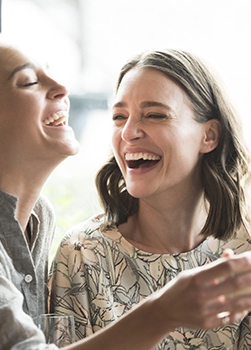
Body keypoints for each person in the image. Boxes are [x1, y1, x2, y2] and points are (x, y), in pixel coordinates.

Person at [0, 26, 251, 350]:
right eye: (27, 82)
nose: (61, 87)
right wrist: (162, 312)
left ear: (210, 136)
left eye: (156, 115)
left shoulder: (36, 220)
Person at [50, 49, 251, 349]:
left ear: (209, 135)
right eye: (119, 117)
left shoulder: (244, 251)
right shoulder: (82, 253)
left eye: (155, 115)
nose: (128, 132)